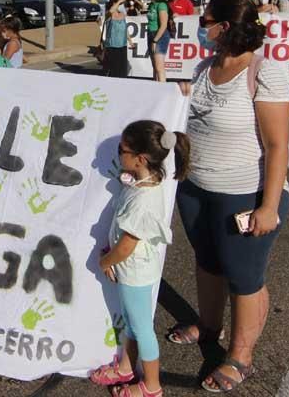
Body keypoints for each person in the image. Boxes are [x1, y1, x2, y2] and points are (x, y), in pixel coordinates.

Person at [170, 0, 289, 393]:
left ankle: (240, 355)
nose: (200, 27)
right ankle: (209, 327)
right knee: (207, 260)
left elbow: (276, 146)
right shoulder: (204, 68)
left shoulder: (263, 71)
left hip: (244, 194)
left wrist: (269, 206)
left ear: (224, 27)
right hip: (196, 187)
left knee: (244, 275)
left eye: (205, 20)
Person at [90, 121, 191, 397]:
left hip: (134, 272)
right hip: (130, 269)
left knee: (143, 328)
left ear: (140, 159)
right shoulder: (143, 182)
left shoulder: (143, 199)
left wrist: (106, 261)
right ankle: (125, 366)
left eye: (121, 149)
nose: (117, 153)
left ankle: (152, 386)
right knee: (132, 321)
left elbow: (126, 246)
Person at [102, 0, 134, 78]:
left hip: (122, 45)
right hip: (112, 45)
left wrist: (130, 41)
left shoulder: (122, 14)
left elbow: (125, 29)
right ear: (114, 4)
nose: (121, 6)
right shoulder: (108, 14)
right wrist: (119, 1)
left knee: (122, 69)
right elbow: (111, 11)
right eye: (120, 4)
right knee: (113, 69)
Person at [146, 0, 170, 83]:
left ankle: (163, 88)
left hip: (160, 35)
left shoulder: (161, 5)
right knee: (154, 66)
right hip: (151, 33)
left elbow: (164, 25)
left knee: (159, 66)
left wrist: (155, 40)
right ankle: (155, 87)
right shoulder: (151, 5)